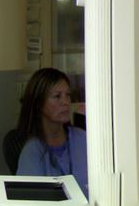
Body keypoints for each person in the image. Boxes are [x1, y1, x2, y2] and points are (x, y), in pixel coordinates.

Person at [15, 67, 88, 197]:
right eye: (57, 96)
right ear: (38, 104)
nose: (65, 102)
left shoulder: (83, 139)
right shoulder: (32, 152)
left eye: (68, 95)